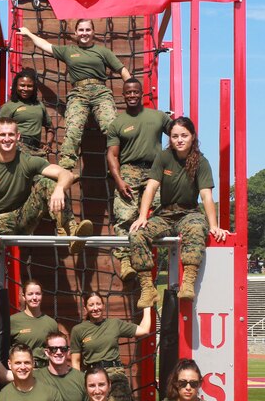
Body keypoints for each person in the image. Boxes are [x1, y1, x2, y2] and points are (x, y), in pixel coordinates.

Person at [129, 115, 228, 307]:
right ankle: (148, 289)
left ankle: (188, 283)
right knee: (136, 233)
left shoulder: (201, 162)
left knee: (197, 228)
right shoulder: (164, 157)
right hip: (165, 215)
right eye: (175, 136)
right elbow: (151, 187)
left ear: (192, 137)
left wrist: (214, 226)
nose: (179, 140)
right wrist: (142, 216)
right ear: (170, 139)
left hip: (188, 213)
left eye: (184, 135)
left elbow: (206, 196)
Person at [0, 117, 93, 254]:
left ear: (18, 136)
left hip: (24, 217)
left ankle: (72, 233)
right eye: (2, 134)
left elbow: (65, 174)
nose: (7, 139)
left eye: (11, 134)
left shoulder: (28, 161)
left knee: (47, 183)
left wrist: (60, 189)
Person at [18, 19, 131, 171]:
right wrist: (29, 34)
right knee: (73, 128)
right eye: (81, 30)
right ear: (76, 33)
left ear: (93, 32)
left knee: (111, 126)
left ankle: (122, 163)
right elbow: (46, 46)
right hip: (79, 93)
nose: (84, 33)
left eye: (88, 30)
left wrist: (131, 89)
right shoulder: (69, 51)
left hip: (100, 92)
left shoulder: (102, 51)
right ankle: (66, 166)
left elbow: (122, 70)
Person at [105, 78, 175, 280]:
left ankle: (149, 249)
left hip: (155, 170)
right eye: (128, 93)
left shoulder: (158, 117)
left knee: (165, 208)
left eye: (136, 92)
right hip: (129, 171)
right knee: (125, 215)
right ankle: (126, 261)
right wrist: (118, 180)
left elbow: (179, 133)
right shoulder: (117, 123)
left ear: (142, 93)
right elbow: (112, 155)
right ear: (123, 95)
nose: (132, 95)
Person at [69, 293, 154, 401]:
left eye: (98, 304)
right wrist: (78, 384)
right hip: (93, 377)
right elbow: (75, 361)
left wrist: (147, 306)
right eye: (91, 305)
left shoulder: (114, 324)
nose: (95, 308)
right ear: (85, 308)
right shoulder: (78, 330)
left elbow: (144, 330)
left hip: (115, 375)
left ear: (103, 305)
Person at [8, 280, 64, 374]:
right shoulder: (13, 321)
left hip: (45, 373)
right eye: (30, 294)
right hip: (21, 372)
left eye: (37, 294)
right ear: (23, 296)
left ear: (42, 295)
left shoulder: (51, 323)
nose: (34, 297)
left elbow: (56, 351)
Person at [0, 68, 52, 157]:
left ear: (34, 87)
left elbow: (50, 128)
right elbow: (0, 131)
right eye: (22, 85)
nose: (25, 89)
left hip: (36, 149)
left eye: (29, 86)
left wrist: (48, 144)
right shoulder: (9, 106)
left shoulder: (39, 105)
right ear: (16, 86)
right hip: (17, 148)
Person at [35, 331, 86, 401]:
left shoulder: (81, 378)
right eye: (53, 349)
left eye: (63, 349)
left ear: (68, 351)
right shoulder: (35, 377)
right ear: (47, 352)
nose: (59, 352)